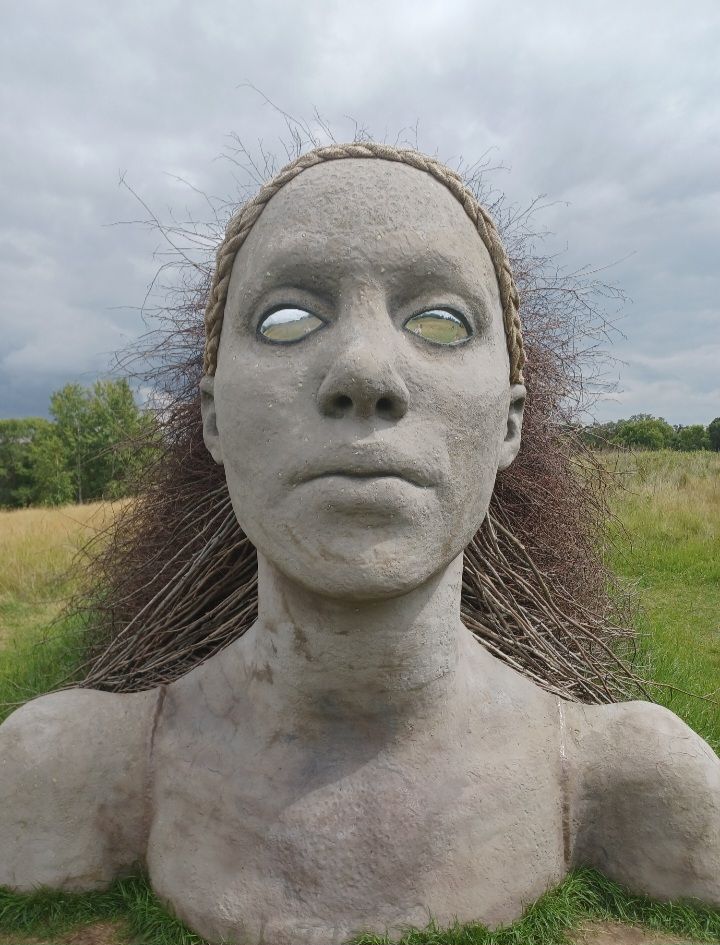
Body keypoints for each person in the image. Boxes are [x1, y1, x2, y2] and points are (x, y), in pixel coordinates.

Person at [1, 144, 718, 945]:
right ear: (213, 417)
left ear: (509, 423)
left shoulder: (636, 782)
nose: (365, 371)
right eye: (287, 319)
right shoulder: (61, 773)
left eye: (442, 321)